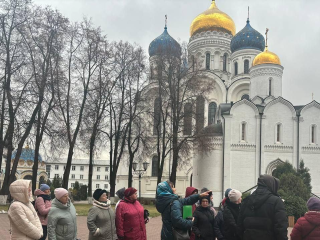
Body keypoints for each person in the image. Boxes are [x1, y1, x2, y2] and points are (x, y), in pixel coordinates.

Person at [238, 174, 288, 240]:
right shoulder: (276, 201)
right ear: (271, 184)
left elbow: (239, 226)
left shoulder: (246, 201)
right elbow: (280, 227)